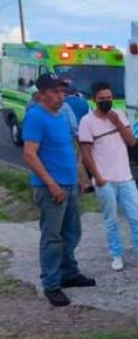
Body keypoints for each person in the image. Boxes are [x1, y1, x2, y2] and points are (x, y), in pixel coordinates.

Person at [22, 73, 95, 307]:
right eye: (55, 92)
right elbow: (29, 155)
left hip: (70, 184)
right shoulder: (36, 117)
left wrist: (81, 178)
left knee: (72, 232)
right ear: (41, 94)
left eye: (62, 91)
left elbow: (69, 148)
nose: (60, 96)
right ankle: (52, 284)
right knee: (52, 237)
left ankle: (68, 273)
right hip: (50, 188)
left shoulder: (61, 115)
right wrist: (51, 184)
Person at [79, 81, 138, 272]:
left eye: (109, 98)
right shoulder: (87, 121)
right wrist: (97, 177)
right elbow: (86, 153)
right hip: (105, 180)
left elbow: (132, 142)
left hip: (126, 178)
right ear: (94, 100)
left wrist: (117, 123)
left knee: (136, 218)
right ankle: (116, 255)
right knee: (111, 220)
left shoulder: (119, 115)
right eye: (102, 99)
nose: (106, 101)